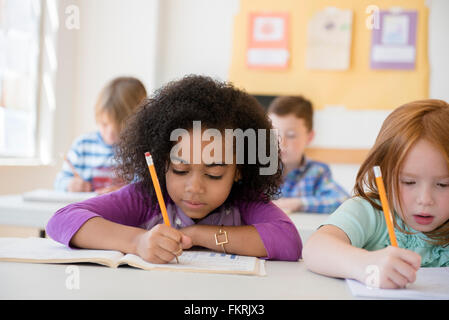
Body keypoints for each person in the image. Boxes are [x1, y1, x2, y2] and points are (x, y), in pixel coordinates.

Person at [46, 75, 302, 264]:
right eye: (180, 169)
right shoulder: (145, 199)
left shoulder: (243, 203)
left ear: (239, 170)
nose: (194, 187)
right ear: (161, 162)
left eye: (213, 173)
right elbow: (61, 221)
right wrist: (138, 242)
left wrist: (196, 234)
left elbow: (289, 242)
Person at [303, 99, 449, 289]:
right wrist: (365, 265)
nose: (425, 200)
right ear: (384, 173)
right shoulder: (370, 211)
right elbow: (315, 248)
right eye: (408, 182)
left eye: (443, 184)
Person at [54, 76, 147, 194]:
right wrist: (70, 185)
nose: (110, 134)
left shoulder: (140, 149)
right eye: (104, 124)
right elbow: (59, 182)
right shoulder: (83, 145)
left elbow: (147, 189)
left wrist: (124, 193)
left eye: (120, 128)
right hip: (88, 211)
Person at [267, 95, 348, 214]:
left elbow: (343, 201)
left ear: (309, 137)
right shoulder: (259, 170)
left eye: (291, 135)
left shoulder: (317, 172)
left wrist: (297, 203)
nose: (281, 142)